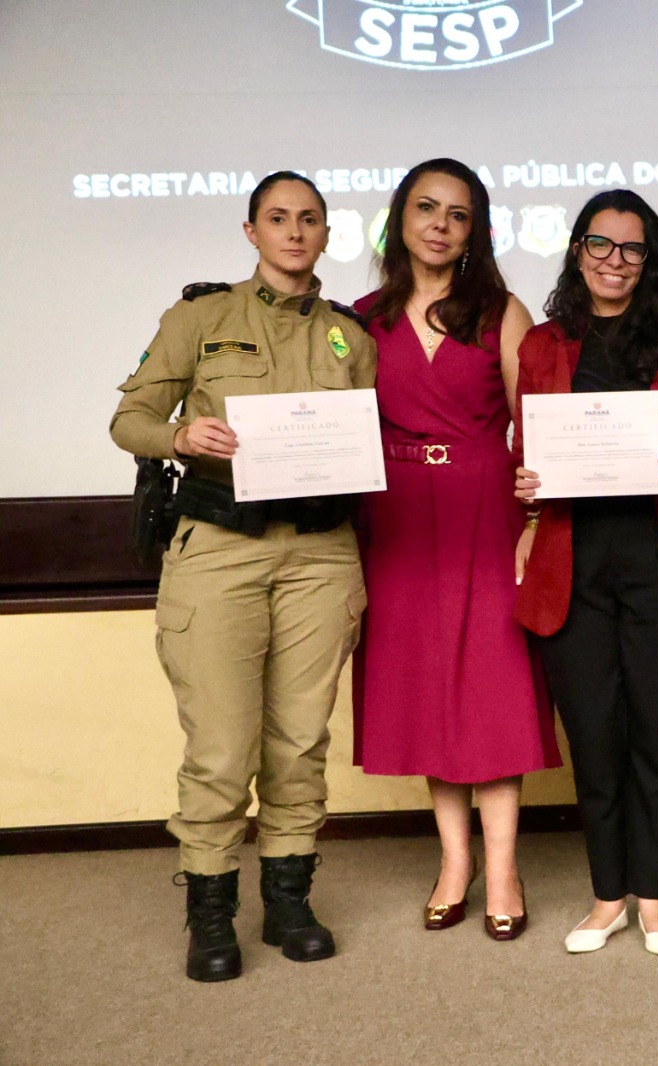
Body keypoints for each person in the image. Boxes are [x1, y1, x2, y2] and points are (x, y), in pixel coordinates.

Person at [109, 172, 377, 982]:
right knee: (222, 747)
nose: (295, 232)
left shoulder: (350, 336)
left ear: (326, 233)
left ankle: (289, 902)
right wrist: (182, 436)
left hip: (321, 554)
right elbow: (129, 420)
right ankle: (211, 911)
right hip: (221, 548)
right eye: (278, 218)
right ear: (251, 231)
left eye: (309, 219)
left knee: (299, 742)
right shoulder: (200, 318)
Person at [512, 189, 658, 956]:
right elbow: (526, 453)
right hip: (572, 562)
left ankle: (654, 896)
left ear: (652, 259)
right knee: (594, 734)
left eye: (632, 248)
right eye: (600, 244)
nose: (615, 260)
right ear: (577, 250)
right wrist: (526, 483)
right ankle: (607, 895)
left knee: (656, 732)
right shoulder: (542, 346)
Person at [351, 158, 560, 943]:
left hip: (484, 508)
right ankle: (454, 863)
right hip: (396, 516)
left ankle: (503, 869)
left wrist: (537, 521)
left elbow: (534, 422)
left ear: (476, 231)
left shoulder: (501, 312)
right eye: (426, 207)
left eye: (458, 213)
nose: (440, 224)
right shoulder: (360, 319)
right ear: (400, 219)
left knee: (490, 690)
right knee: (428, 692)